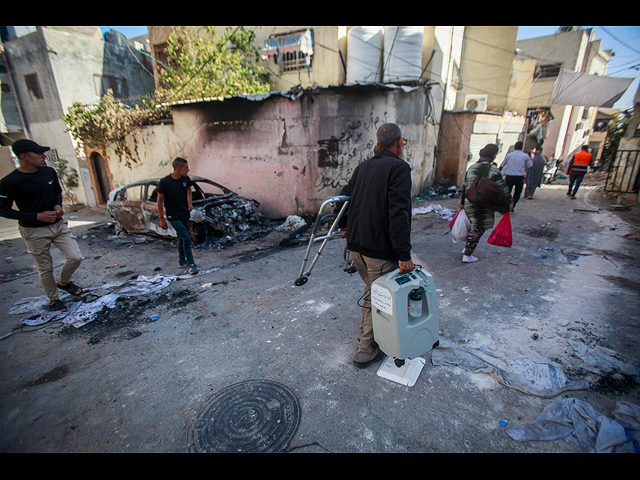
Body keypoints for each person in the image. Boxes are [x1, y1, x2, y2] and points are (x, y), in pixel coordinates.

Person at [338, 123, 414, 369]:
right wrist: (404, 254)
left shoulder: (363, 166)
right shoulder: (399, 168)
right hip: (378, 250)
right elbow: (398, 212)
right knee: (376, 298)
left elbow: (344, 196)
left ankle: (372, 339)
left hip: (357, 247)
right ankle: (365, 350)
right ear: (399, 142)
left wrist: (343, 224)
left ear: (378, 145)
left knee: (373, 292)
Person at [0, 139, 83, 312]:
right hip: (33, 230)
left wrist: (58, 205)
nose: (43, 156)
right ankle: (54, 300)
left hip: (58, 225)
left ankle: (63, 281)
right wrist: (36, 216)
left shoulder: (48, 172)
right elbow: (3, 209)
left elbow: (57, 192)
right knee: (45, 268)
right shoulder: (10, 181)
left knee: (75, 257)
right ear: (25, 157)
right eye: (39, 153)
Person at [460, 144, 513, 263]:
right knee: (478, 228)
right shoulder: (494, 170)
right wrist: (510, 201)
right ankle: (467, 254)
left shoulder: (472, 167)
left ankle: (466, 249)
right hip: (484, 203)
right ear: (493, 156)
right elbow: (503, 187)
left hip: (470, 200)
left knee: (473, 226)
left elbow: (465, 185)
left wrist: (462, 202)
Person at [157, 157, 198, 274]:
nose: (188, 170)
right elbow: (159, 200)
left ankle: (181, 260)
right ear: (178, 169)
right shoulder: (165, 182)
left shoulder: (185, 179)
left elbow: (189, 189)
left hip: (184, 212)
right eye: (186, 168)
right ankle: (191, 264)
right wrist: (161, 218)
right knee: (186, 238)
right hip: (173, 215)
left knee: (181, 237)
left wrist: (190, 202)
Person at [499, 142, 532, 210]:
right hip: (519, 177)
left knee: (507, 192)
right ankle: (513, 206)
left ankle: (507, 205)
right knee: (517, 192)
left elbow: (502, 165)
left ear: (514, 147)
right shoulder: (525, 156)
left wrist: (498, 172)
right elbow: (530, 166)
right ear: (522, 147)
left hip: (510, 176)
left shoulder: (509, 155)